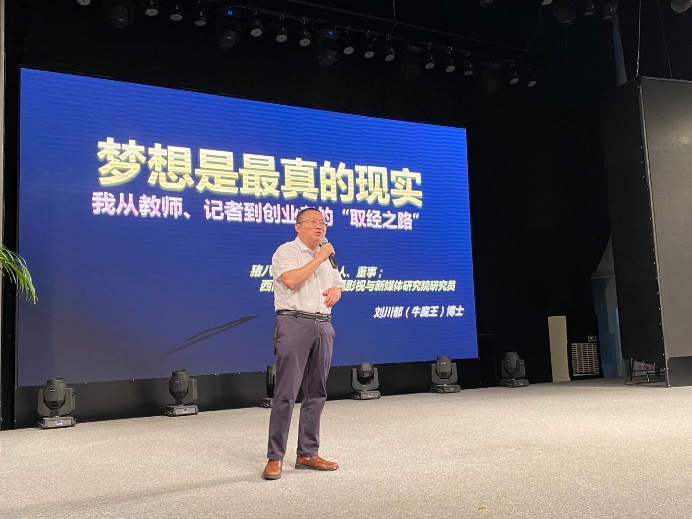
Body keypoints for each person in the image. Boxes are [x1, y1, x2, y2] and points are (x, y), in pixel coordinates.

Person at [262, 207, 344, 480]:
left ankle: (307, 453)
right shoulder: (286, 251)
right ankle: (275, 457)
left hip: (323, 324)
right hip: (294, 322)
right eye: (313, 222)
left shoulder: (328, 257)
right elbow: (292, 280)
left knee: (317, 392)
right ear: (298, 227)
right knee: (286, 393)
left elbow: (337, 284)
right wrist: (319, 257)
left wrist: (336, 290)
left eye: (323, 222)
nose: (320, 226)